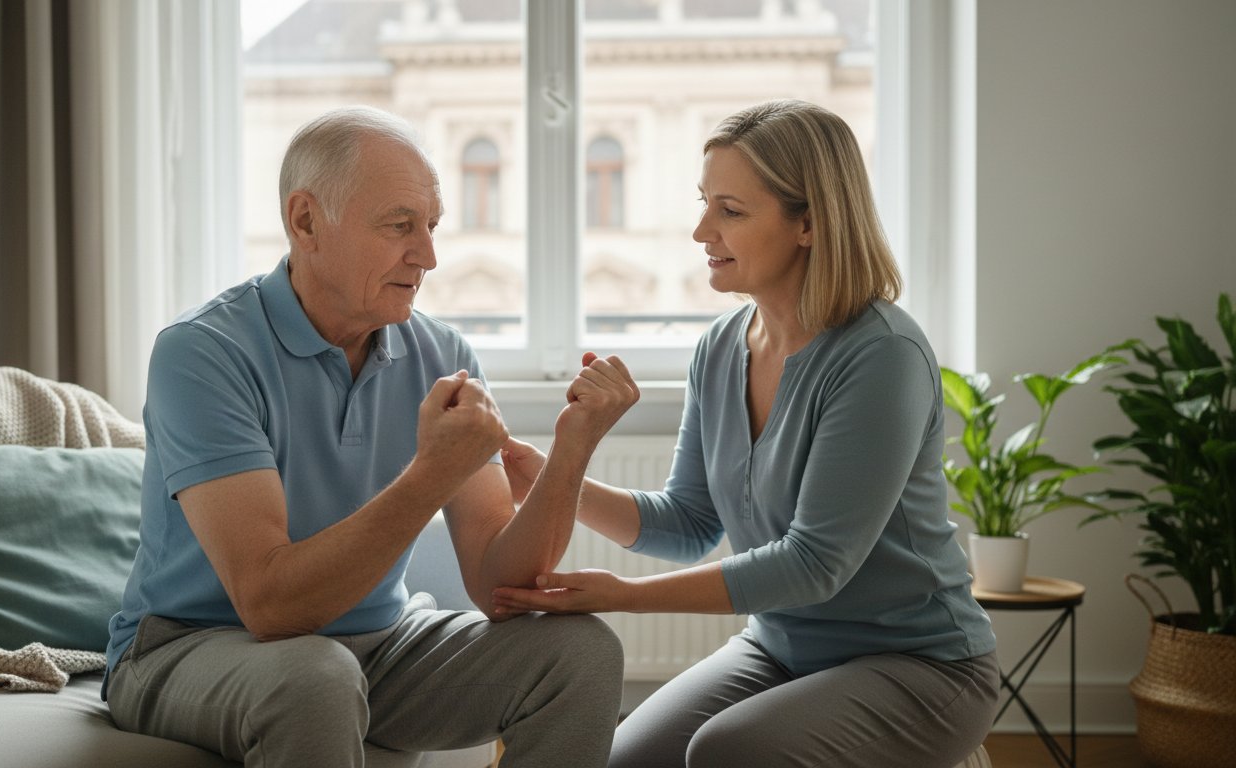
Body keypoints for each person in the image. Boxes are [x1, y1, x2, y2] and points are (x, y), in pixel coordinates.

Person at [103, 106, 638, 768]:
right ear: (305, 222)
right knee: (316, 676)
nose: (430, 256)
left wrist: (573, 448)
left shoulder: (442, 354)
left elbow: (501, 584)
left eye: (433, 227)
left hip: (379, 645)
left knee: (580, 650)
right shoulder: (203, 353)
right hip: (190, 645)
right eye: (400, 227)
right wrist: (431, 476)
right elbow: (271, 606)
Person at [493, 99, 1000, 768]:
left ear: (809, 224)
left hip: (920, 665)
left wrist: (623, 597)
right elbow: (689, 521)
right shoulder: (721, 346)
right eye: (705, 203)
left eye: (730, 211)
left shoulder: (882, 356)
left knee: (730, 752)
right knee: (626, 762)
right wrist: (553, 478)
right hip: (782, 650)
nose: (702, 230)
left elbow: (814, 565)